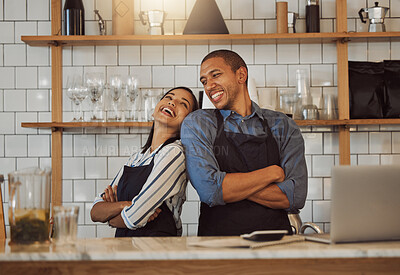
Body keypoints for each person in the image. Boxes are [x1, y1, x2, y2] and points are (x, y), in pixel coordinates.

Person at [180, 50, 307, 236]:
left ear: (241, 75)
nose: (209, 86)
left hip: (276, 245)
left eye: (215, 75)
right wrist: (272, 173)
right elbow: (209, 191)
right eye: (204, 81)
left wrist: (226, 185)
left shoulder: (283, 125)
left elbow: (295, 197)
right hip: (218, 246)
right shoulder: (198, 123)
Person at [91, 87, 199, 237]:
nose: (173, 102)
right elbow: (95, 211)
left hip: (156, 251)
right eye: (169, 97)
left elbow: (135, 217)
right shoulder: (137, 157)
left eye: (183, 104)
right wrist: (125, 205)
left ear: (188, 121)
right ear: (154, 110)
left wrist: (110, 215)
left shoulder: (175, 152)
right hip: (125, 249)